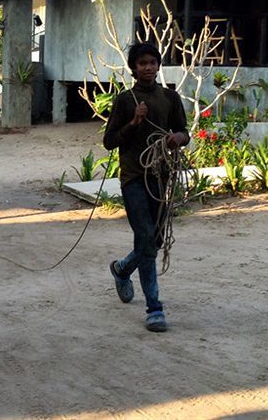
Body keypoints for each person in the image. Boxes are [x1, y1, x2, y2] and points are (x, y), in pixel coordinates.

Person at [102, 42, 189, 332]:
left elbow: (184, 131)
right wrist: (135, 122)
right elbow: (110, 141)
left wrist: (178, 137)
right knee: (146, 238)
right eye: (142, 63)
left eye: (152, 62)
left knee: (155, 240)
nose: (148, 67)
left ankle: (122, 269)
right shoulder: (125, 100)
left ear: (159, 65)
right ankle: (154, 308)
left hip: (161, 177)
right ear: (133, 68)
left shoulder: (170, 97)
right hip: (134, 178)